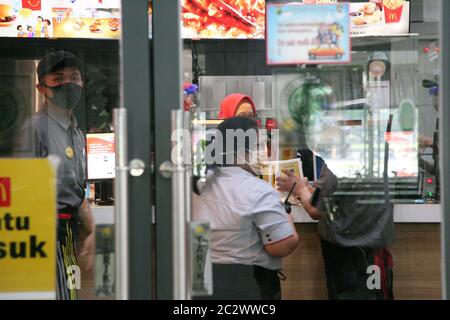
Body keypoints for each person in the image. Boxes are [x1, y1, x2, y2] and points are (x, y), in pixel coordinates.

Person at [193, 117, 299, 300]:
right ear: (240, 152)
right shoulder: (259, 191)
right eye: (258, 146)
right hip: (244, 284)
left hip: (200, 279)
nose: (264, 151)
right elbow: (280, 247)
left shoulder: (200, 187)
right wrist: (287, 217)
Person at [276, 161, 394, 300]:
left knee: (355, 294)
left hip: (350, 250)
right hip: (369, 243)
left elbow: (316, 210)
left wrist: (301, 189)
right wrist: (309, 191)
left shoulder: (338, 162)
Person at [32, 50, 95, 300]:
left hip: (69, 234)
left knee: (71, 292)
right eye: (58, 79)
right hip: (45, 235)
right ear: (41, 88)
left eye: (74, 77)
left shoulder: (76, 132)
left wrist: (92, 231)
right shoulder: (36, 130)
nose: (68, 84)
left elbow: (76, 192)